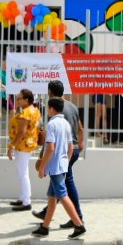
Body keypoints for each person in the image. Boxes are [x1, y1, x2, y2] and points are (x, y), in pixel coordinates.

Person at [32, 79, 85, 228]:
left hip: (62, 152)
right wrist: (80, 143)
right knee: (60, 181)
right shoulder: (73, 106)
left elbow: (51, 140)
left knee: (65, 182)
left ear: (50, 92)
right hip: (72, 149)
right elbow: (80, 128)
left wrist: (41, 158)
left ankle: (78, 218)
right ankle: (48, 212)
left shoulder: (55, 109)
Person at [6, 88, 42, 210]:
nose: (17, 100)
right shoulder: (35, 110)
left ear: (26, 100)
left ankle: (26, 201)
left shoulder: (26, 112)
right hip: (29, 144)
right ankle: (22, 197)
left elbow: (21, 132)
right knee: (22, 172)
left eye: (19, 98)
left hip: (23, 145)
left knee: (23, 174)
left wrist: (11, 146)